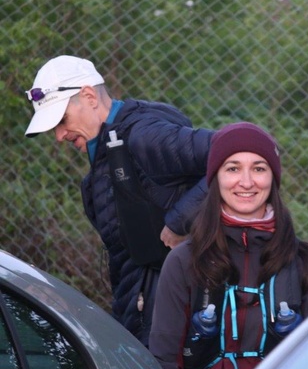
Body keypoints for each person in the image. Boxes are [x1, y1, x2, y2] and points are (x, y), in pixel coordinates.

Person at [149, 121, 308, 369]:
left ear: (273, 178)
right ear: (215, 178)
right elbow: (164, 362)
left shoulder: (305, 262)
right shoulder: (183, 262)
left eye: (259, 168)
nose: (246, 182)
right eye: (233, 168)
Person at [24, 55, 213, 347]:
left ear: (89, 97)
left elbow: (236, 155)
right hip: (140, 317)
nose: (59, 136)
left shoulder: (143, 135)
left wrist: (180, 221)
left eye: (62, 120)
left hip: (173, 322)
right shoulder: (106, 152)